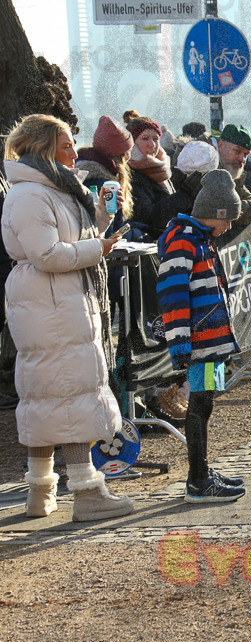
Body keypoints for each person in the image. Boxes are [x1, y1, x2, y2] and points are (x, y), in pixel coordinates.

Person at [2, 113, 134, 521]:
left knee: (47, 396)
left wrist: (102, 218)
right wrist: (100, 250)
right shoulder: (29, 194)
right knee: (68, 396)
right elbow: (47, 254)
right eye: (66, 145)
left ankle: (40, 492)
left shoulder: (50, 187)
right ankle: (87, 491)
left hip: (54, 301)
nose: (75, 152)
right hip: (51, 302)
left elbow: (67, 240)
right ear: (43, 147)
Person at [156, 169, 247, 503]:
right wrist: (179, 341)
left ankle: (203, 472)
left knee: (205, 403)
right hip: (202, 343)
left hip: (212, 344)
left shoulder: (199, 240)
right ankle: (198, 479)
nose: (230, 227)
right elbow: (173, 294)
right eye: (229, 220)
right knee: (200, 405)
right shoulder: (184, 241)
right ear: (217, 214)